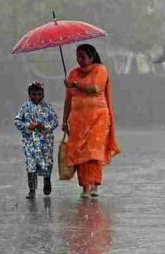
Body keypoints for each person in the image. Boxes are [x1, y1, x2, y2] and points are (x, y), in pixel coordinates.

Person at [62, 44, 121, 199]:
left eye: (82, 56)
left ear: (91, 56)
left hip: (98, 119)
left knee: (93, 151)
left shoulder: (100, 69)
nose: (79, 59)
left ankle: (94, 184)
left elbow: (96, 88)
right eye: (77, 56)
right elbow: (68, 100)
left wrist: (75, 84)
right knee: (80, 152)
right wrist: (64, 120)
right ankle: (85, 186)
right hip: (78, 121)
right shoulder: (73, 73)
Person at [14, 81, 59, 199]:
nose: (36, 97)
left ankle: (47, 180)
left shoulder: (47, 107)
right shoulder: (25, 107)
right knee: (31, 164)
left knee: (46, 162)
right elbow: (17, 121)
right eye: (34, 94)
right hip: (30, 141)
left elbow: (55, 122)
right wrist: (28, 126)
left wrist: (44, 126)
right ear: (29, 94)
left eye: (39, 94)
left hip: (45, 142)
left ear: (43, 94)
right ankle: (32, 190)